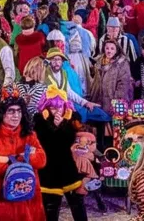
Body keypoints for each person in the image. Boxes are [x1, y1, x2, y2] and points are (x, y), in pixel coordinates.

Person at [0, 89, 46, 220]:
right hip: (0, 196)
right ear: (1, 113)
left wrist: (5, 159)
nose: (16, 115)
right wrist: (24, 158)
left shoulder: (29, 134)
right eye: (11, 111)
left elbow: (41, 160)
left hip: (28, 196)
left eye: (19, 111)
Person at [35, 86, 87, 221]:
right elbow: (45, 142)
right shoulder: (39, 121)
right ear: (46, 108)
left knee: (77, 205)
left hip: (67, 168)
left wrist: (62, 125)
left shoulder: (69, 121)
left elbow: (68, 141)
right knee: (50, 208)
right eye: (52, 108)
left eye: (59, 107)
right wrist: (52, 126)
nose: (56, 111)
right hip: (48, 170)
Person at [89, 39, 133, 114]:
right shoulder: (99, 62)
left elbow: (123, 85)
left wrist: (115, 101)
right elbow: (95, 83)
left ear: (117, 50)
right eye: (107, 48)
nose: (109, 51)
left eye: (112, 48)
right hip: (100, 101)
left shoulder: (122, 64)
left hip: (115, 102)